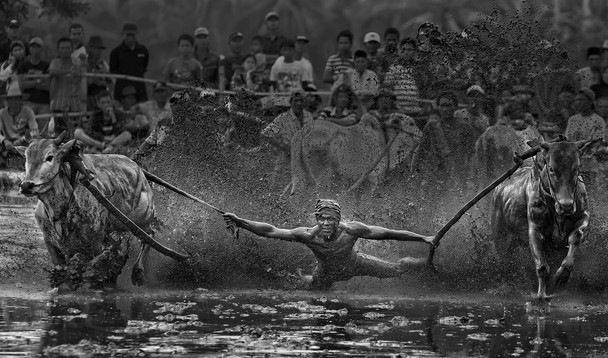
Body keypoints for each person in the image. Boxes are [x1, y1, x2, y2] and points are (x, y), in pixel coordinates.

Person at [222, 199, 436, 290]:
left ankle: (426, 263)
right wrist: (239, 221)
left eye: (331, 219)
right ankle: (304, 278)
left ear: (338, 219)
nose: (326, 223)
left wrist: (423, 238)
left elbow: (389, 233)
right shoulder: (307, 235)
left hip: (357, 264)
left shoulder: (352, 230)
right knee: (312, 292)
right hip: (326, 273)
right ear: (316, 219)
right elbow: (270, 231)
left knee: (397, 268)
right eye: (322, 218)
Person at [261, 88, 313, 189]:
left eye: (301, 100)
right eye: (296, 100)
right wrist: (284, 147)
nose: (298, 103)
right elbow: (265, 134)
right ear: (291, 102)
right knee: (280, 190)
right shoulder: (283, 118)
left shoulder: (308, 116)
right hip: (286, 161)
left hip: (304, 160)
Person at [49, 37, 87, 136]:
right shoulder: (55, 62)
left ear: (72, 48)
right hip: (59, 104)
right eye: (62, 48)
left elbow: (82, 72)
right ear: (58, 49)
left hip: (74, 104)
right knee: (59, 135)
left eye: (67, 48)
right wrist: (69, 71)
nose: (65, 50)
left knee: (75, 134)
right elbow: (52, 71)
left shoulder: (77, 62)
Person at [110, 23, 149, 102]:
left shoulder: (143, 50)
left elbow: (144, 67)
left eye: (133, 35)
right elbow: (113, 70)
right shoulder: (116, 52)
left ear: (136, 35)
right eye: (128, 35)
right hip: (122, 89)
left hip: (139, 89)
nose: (130, 37)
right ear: (123, 35)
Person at [383, 37, 422, 116]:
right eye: (404, 49)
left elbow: (424, 90)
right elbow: (386, 90)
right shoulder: (393, 68)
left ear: (415, 52)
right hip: (398, 110)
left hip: (417, 110)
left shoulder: (419, 69)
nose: (406, 52)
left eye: (409, 50)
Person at [0, 81, 38, 160]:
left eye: (16, 99)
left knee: (36, 142)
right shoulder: (2, 113)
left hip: (23, 143)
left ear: (21, 100)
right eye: (11, 99)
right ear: (7, 101)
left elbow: (35, 131)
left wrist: (22, 139)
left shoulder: (28, 112)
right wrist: (4, 140)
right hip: (6, 143)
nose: (14, 102)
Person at [18, 37, 51, 120]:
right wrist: (39, 80)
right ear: (29, 49)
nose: (35, 49)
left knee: (43, 131)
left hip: (44, 103)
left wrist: (29, 82)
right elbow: (21, 85)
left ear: (42, 49)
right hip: (28, 102)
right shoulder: (23, 66)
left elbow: (48, 86)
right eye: (33, 47)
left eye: (38, 47)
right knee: (27, 130)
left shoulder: (47, 65)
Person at [85, 35, 112, 111]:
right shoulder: (84, 63)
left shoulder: (103, 63)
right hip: (89, 96)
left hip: (102, 96)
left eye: (99, 49)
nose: (98, 51)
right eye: (95, 48)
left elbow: (110, 79)